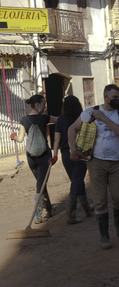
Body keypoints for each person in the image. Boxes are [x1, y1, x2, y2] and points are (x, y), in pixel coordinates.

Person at [68, 84, 119, 250]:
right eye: (114, 98)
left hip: (116, 161)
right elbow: (71, 129)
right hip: (96, 162)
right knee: (100, 201)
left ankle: (118, 223)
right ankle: (104, 236)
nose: (117, 100)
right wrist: (73, 149)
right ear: (105, 97)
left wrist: (103, 118)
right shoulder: (90, 112)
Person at [10, 94, 58, 223]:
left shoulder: (23, 120)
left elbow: (19, 139)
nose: (45, 106)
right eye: (43, 104)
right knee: (40, 185)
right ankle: (37, 215)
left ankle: (48, 208)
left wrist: (13, 137)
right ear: (37, 105)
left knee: (41, 182)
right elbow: (59, 121)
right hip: (44, 157)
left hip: (31, 157)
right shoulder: (45, 118)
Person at [53, 95, 92, 224]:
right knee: (76, 182)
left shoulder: (61, 120)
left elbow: (57, 139)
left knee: (77, 181)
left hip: (65, 154)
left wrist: (55, 154)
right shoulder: (81, 118)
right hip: (79, 153)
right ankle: (71, 214)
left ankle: (87, 209)